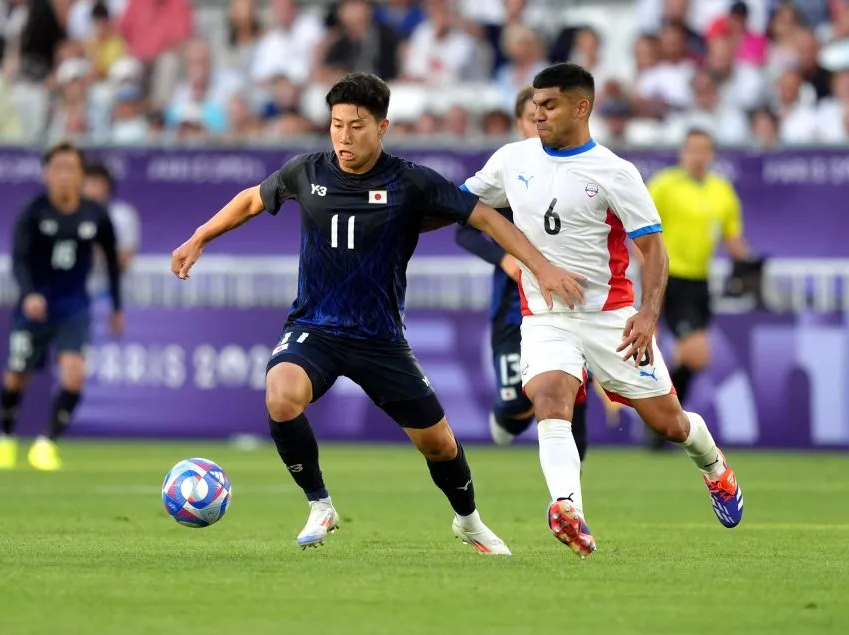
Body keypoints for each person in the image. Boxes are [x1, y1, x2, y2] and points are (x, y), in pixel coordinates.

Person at [170, 72, 582, 554]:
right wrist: (199, 236)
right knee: (281, 394)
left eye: (357, 126)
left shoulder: (411, 182)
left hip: (381, 339)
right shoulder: (307, 171)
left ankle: (468, 521)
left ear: (383, 127)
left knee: (439, 445)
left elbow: (486, 217)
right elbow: (249, 201)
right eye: (336, 125)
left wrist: (542, 266)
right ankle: (320, 504)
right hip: (316, 328)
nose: (344, 137)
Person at [460, 63, 744, 558]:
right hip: (545, 315)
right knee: (550, 397)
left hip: (610, 317)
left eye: (549, 106)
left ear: (581, 106)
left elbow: (654, 251)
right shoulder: (512, 159)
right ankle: (567, 506)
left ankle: (714, 465)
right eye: (534, 106)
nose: (538, 114)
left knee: (669, 423)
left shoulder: (615, 172)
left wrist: (648, 314)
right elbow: (457, 204)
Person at [454, 85, 589, 461]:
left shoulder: (579, 169)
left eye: (549, 113)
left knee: (572, 395)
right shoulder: (508, 174)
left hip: (568, 301)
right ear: (519, 124)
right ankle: (508, 416)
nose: (541, 122)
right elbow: (463, 226)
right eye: (533, 117)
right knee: (517, 409)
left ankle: (571, 499)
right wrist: (505, 259)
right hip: (515, 307)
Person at [0, 142, 124, 471]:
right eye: (58, 168)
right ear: (47, 174)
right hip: (34, 306)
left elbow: (112, 263)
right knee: (16, 376)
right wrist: (29, 293)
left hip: (74, 306)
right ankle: (5, 437)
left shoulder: (96, 214)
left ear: (81, 175)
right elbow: (18, 260)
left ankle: (46, 443)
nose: (64, 175)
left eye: (71, 168)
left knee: (74, 375)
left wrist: (117, 307)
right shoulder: (33, 211)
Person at [645, 129, 752, 451]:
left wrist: (751, 265)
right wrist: (648, 277)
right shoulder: (664, 185)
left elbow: (732, 238)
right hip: (670, 278)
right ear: (683, 152)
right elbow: (642, 232)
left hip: (701, 283)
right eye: (692, 149)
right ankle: (662, 422)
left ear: (712, 154)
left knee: (691, 358)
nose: (697, 155)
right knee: (698, 353)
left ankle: (661, 420)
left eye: (704, 150)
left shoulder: (721, 190)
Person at [83, 161, 141, 300]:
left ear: (108, 186)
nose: (93, 190)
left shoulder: (123, 215)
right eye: (88, 184)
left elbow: (125, 258)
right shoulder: (70, 217)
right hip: (78, 292)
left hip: (113, 293)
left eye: (98, 183)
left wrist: (98, 251)